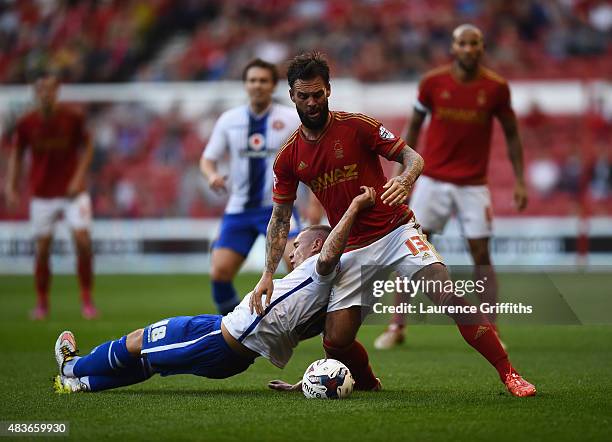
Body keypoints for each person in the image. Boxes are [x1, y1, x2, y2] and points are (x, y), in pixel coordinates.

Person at [252, 52, 535, 397]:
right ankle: (369, 384)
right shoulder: (289, 156)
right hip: (351, 248)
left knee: (450, 296)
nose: (312, 102)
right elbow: (280, 217)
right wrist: (268, 274)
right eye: (303, 96)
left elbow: (412, 156)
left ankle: (509, 373)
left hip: (396, 231)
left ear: (329, 90)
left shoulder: (358, 126)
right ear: (292, 96)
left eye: (318, 94)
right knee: (336, 340)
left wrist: (406, 179)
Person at [52, 187, 376, 393]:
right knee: (152, 363)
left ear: (318, 245)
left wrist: (354, 208)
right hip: (224, 336)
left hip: (220, 342)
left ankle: (71, 366)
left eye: (298, 244)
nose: (291, 253)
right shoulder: (325, 294)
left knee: (139, 340)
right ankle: (83, 383)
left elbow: (331, 251)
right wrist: (301, 385)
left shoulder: (321, 268)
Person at [374, 24, 528, 349]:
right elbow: (413, 128)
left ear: (482, 47)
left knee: (481, 254)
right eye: (463, 43)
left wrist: (519, 180)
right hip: (432, 180)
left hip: (473, 184)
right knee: (413, 249)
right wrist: (403, 174)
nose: (469, 49)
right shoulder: (432, 83)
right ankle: (396, 325)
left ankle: (492, 328)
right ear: (453, 48)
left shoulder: (496, 88)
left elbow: (512, 134)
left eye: (475, 44)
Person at [200, 58, 301, 315]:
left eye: (263, 81)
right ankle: (233, 327)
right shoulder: (229, 119)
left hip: (278, 208)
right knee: (219, 272)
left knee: (298, 266)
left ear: (273, 85)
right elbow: (207, 159)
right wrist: (212, 175)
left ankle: (306, 320)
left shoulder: (291, 119)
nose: (257, 85)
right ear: (245, 85)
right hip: (239, 209)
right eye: (252, 80)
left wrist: (312, 200)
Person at [4, 72, 97, 320]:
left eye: (50, 89)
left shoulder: (73, 117)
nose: (46, 93)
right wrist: (11, 185)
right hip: (42, 193)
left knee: (83, 241)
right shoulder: (27, 124)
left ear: (57, 91)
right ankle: (42, 303)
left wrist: (78, 177)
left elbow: (88, 146)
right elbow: (16, 154)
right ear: (36, 93)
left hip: (72, 192)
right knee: (42, 249)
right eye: (41, 89)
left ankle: (87, 299)